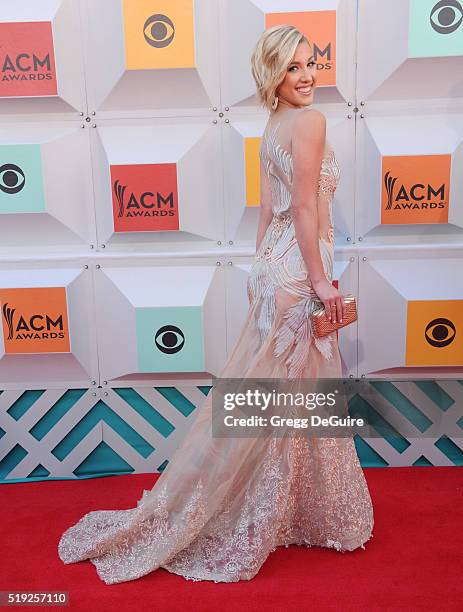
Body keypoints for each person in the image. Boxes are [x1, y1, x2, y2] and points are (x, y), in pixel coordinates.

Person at [57, 24, 374, 585]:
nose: (307, 76)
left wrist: (258, 272)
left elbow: (266, 209)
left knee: (278, 396)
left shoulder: (274, 123)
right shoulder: (311, 121)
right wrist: (322, 282)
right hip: (301, 272)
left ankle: (289, 509)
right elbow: (300, 209)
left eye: (311, 63)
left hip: (277, 267)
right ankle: (280, 512)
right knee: (291, 395)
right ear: (272, 76)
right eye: (293, 68)